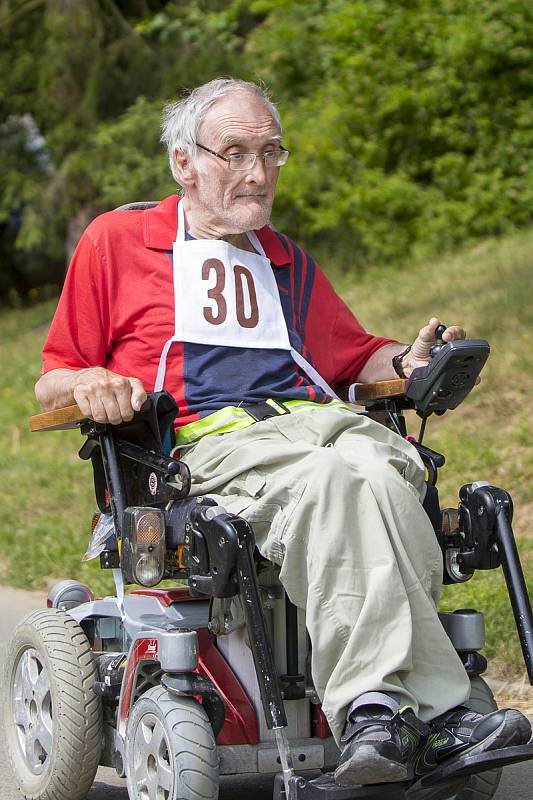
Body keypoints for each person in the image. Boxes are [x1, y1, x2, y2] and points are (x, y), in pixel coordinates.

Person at [35, 78, 531, 786]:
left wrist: (410, 360)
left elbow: (356, 355)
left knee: (390, 471)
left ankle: (385, 715)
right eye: (234, 153)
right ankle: (397, 709)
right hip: (208, 445)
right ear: (185, 163)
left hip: (317, 424)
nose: (257, 172)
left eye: (270, 152)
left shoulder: (284, 259)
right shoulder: (119, 241)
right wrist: (90, 383)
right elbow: (53, 376)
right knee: (336, 480)